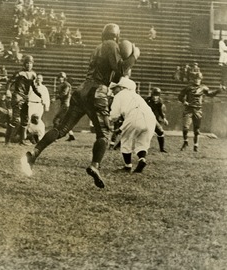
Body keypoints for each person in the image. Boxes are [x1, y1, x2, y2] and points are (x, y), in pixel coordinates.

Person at [24, 23, 140, 188]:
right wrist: (133, 56)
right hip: (97, 92)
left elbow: (113, 78)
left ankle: (34, 152)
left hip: (82, 91)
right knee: (104, 134)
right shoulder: (111, 45)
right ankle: (94, 165)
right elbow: (120, 69)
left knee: (61, 129)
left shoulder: (98, 48)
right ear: (116, 36)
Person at [109, 77, 156, 173]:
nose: (112, 91)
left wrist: (110, 120)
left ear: (121, 87)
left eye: (114, 89)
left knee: (126, 140)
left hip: (134, 116)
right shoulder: (136, 95)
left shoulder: (119, 96)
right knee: (142, 142)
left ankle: (127, 166)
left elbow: (114, 116)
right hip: (150, 118)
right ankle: (142, 159)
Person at [178, 72, 224, 152]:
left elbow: (210, 94)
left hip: (198, 110)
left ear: (201, 79)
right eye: (196, 79)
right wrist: (184, 101)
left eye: (198, 79)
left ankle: (196, 146)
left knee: (197, 129)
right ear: (193, 79)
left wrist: (218, 90)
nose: (197, 80)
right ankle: (185, 142)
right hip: (189, 109)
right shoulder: (188, 87)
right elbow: (180, 96)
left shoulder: (203, 87)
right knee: (185, 127)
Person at [5, 55, 42, 145]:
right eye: (27, 63)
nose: (29, 65)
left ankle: (22, 141)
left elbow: (34, 87)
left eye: (30, 63)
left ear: (32, 64)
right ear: (24, 64)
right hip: (17, 96)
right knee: (15, 119)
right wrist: (8, 90)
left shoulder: (33, 74)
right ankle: (7, 141)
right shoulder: (19, 73)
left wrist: (40, 95)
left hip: (25, 97)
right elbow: (10, 82)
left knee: (25, 119)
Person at [52, 72, 76, 141]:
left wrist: (55, 98)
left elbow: (64, 93)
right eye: (59, 77)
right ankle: (71, 135)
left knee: (56, 120)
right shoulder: (62, 85)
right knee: (64, 121)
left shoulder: (66, 85)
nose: (60, 79)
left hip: (66, 105)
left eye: (62, 77)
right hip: (64, 104)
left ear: (64, 78)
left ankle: (54, 136)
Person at [145, 87, 169, 153]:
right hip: (146, 119)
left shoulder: (160, 102)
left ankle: (162, 149)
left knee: (160, 132)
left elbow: (160, 111)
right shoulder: (147, 101)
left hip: (154, 120)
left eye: (157, 95)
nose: (155, 97)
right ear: (151, 95)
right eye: (154, 95)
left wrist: (164, 118)